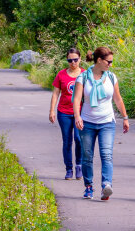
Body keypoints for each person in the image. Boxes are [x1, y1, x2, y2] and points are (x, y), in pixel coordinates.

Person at [73, 47, 129, 201]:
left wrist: (125, 117)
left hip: (107, 122)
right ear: (99, 60)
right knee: (87, 156)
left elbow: (118, 99)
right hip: (87, 123)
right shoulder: (82, 78)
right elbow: (77, 99)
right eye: (108, 61)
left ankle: (106, 186)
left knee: (106, 155)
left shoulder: (111, 77)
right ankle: (89, 187)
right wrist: (77, 116)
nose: (110, 65)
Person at [49, 48, 85, 180]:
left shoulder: (84, 74)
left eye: (75, 59)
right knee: (67, 141)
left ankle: (79, 166)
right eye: (70, 60)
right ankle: (69, 169)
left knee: (79, 139)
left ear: (80, 59)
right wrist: (52, 110)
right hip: (64, 112)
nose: (73, 62)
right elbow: (55, 93)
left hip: (80, 113)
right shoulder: (61, 74)